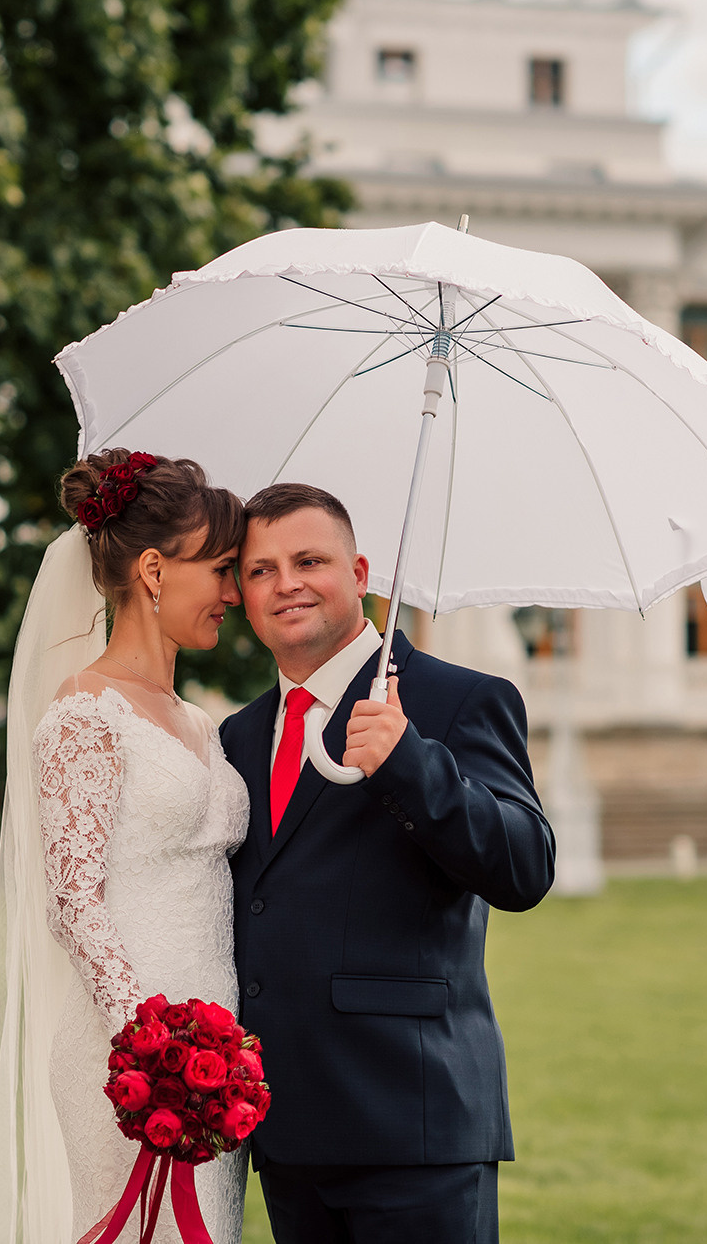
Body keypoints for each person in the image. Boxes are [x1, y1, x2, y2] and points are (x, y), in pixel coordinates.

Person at [220, 483, 556, 1244]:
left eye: (310, 560)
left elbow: (526, 866)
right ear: (242, 591)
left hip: (415, 1123)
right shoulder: (239, 735)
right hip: (284, 1130)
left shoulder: (460, 701)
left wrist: (410, 761)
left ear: (361, 570)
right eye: (262, 568)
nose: (287, 583)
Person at [0, 449, 252, 1244]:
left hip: (220, 1059)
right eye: (222, 569)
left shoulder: (201, 722)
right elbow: (75, 902)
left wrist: (215, 1058)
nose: (234, 594)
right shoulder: (83, 716)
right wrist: (155, 1047)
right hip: (128, 1056)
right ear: (156, 570)